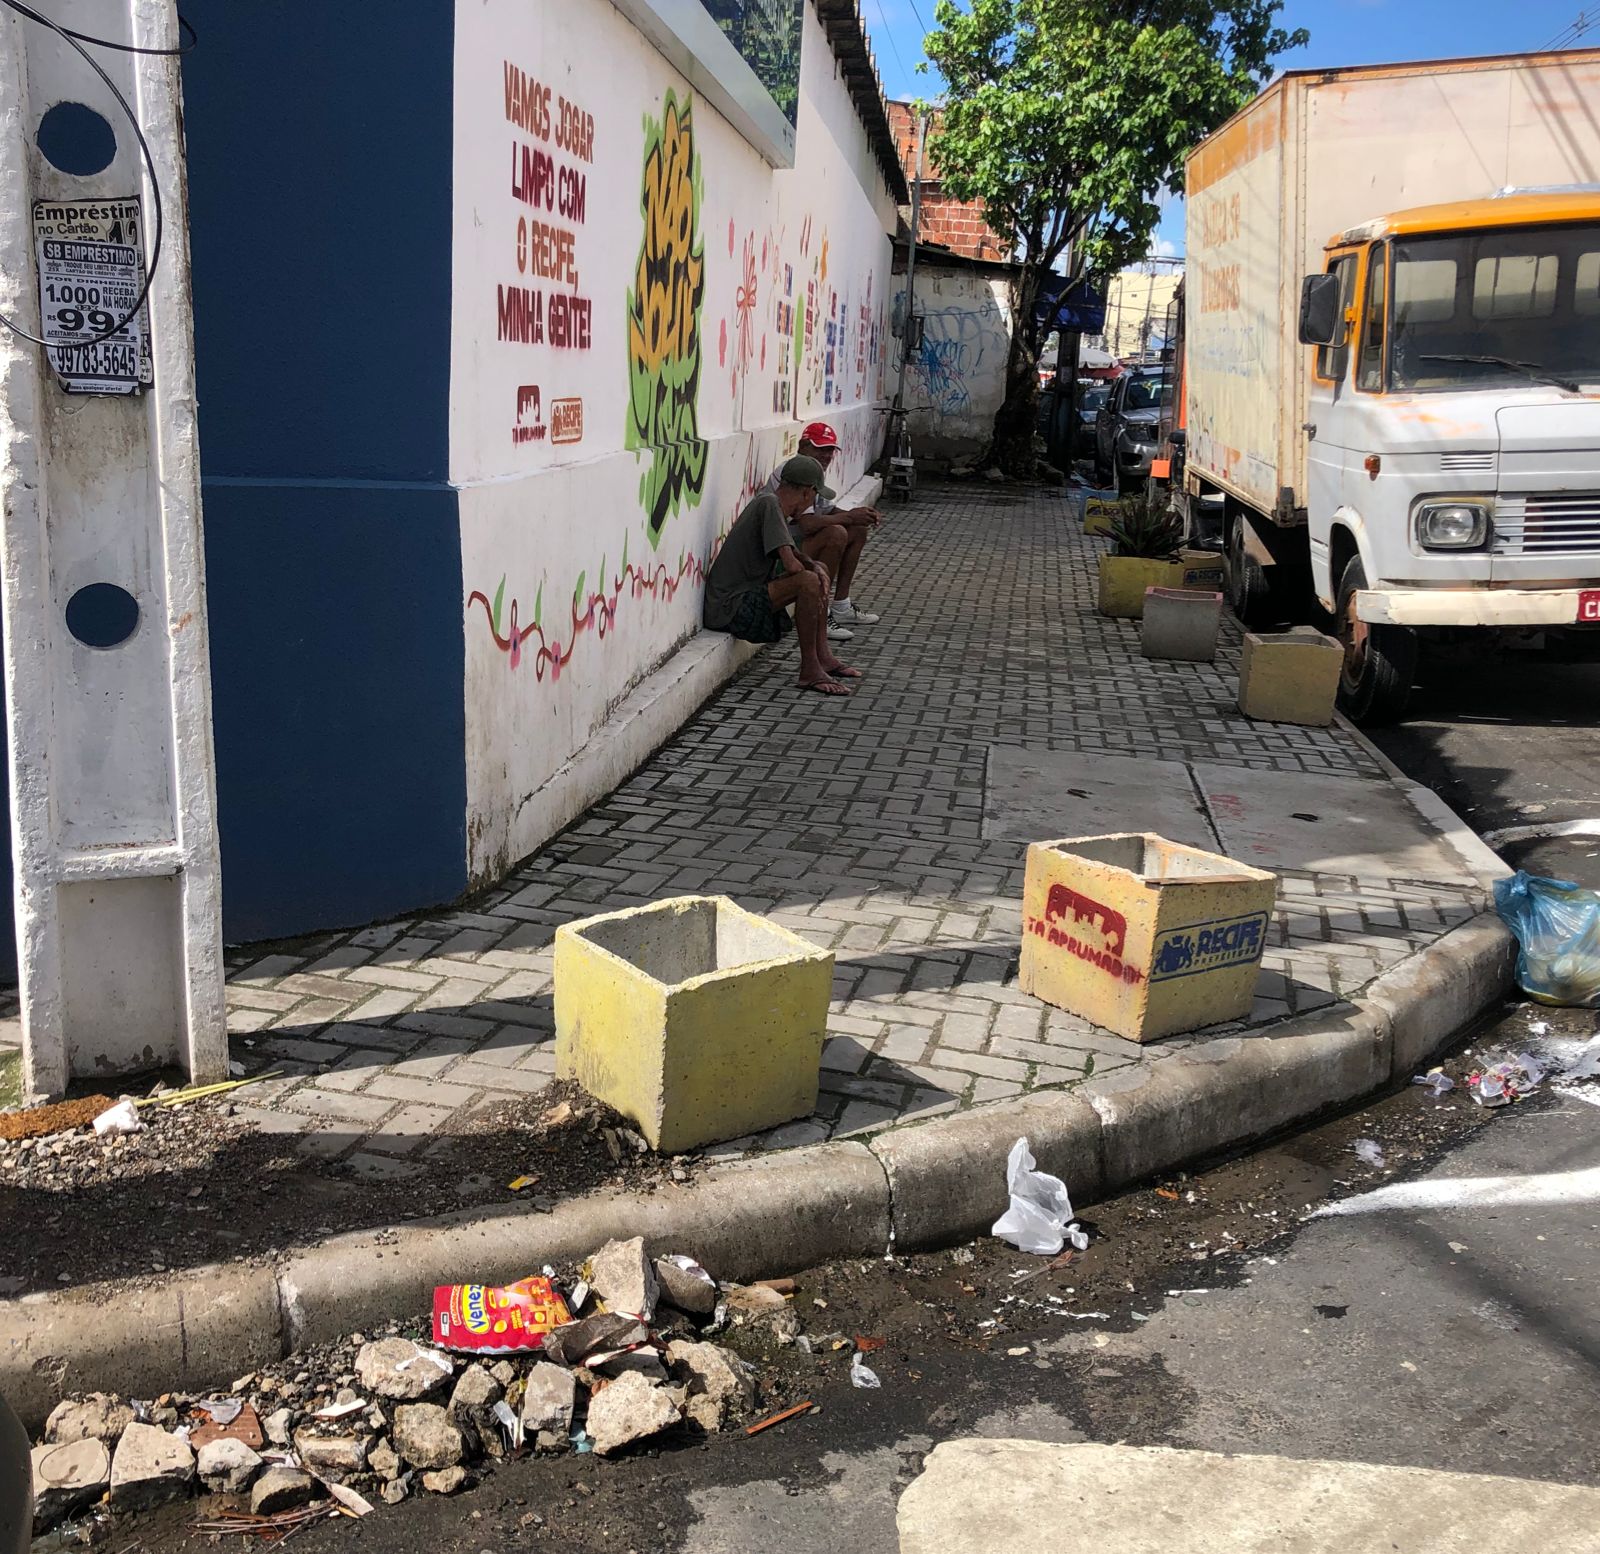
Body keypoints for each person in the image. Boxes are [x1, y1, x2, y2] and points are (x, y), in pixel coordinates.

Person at [703, 455, 862, 696]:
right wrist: (813, 572)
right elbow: (792, 566)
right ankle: (810, 669)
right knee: (808, 581)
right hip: (728, 607)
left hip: (740, 600)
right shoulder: (769, 503)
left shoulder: (772, 505)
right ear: (808, 493)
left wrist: (817, 566)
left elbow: (794, 554)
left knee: (818, 570)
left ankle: (823, 658)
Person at [765, 421, 883, 640]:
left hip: (792, 543)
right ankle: (821, 611)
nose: (827, 455)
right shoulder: (797, 471)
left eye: (830, 450)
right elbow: (807, 523)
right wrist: (849, 516)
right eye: (820, 448)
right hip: (779, 551)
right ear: (802, 446)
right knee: (836, 533)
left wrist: (858, 515)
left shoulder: (813, 469)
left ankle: (841, 605)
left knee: (857, 529)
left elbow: (826, 511)